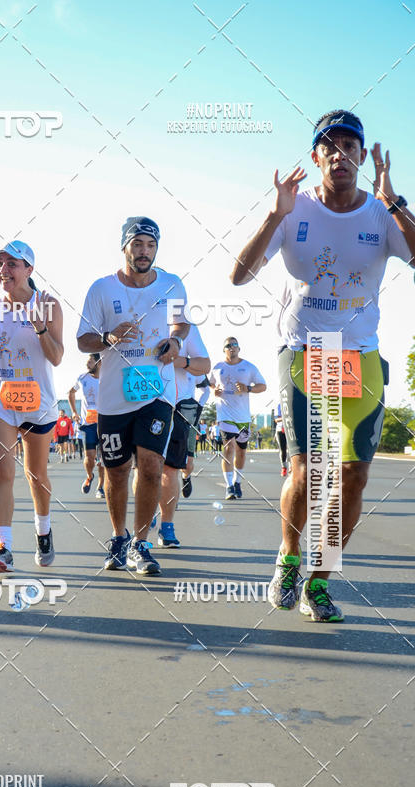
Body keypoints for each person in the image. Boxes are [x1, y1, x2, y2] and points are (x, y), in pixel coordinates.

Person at [231, 109, 415, 622]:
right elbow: (238, 276)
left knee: (352, 475)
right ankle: (289, 558)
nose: (340, 154)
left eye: (349, 146)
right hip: (306, 351)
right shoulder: (295, 209)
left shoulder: (382, 212)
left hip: (360, 356)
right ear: (315, 159)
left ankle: (319, 579)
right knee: (310, 470)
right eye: (328, 147)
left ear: (361, 155)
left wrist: (395, 200)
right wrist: (274, 215)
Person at [77, 215, 189, 575]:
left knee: (152, 464)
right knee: (117, 470)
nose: (145, 252)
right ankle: (118, 536)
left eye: (151, 245)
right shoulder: (102, 289)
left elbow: (180, 322)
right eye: (138, 244)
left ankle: (141, 543)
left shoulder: (171, 284)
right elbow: (83, 340)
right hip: (113, 395)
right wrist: (108, 338)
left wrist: (175, 340)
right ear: (125, 247)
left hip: (157, 389)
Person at [0, 239, 63, 572]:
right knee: (3, 471)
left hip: (37, 401)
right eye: (1, 263)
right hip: (0, 399)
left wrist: (39, 326)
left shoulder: (48, 304)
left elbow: (57, 356)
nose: (4, 269)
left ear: (29, 270)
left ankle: (43, 530)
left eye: (12, 263)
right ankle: (3, 547)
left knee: (36, 475)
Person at [157, 325, 210, 544]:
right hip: (147, 403)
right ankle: (149, 514)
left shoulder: (189, 329)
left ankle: (166, 527)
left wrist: (183, 362)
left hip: (180, 408)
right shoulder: (142, 317)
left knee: (173, 469)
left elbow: (205, 370)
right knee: (145, 469)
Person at [209, 337, 266, 500]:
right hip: (224, 414)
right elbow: (210, 384)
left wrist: (248, 388)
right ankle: (228, 486)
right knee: (229, 448)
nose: (232, 348)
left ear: (239, 349)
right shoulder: (217, 367)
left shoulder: (248, 367)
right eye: (228, 345)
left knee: (241, 451)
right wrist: (214, 391)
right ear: (224, 350)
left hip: (243, 416)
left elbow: (263, 386)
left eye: (234, 345)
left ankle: (237, 481)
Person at [68, 354, 105, 496]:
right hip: (87, 424)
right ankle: (90, 476)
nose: (87, 364)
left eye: (90, 361)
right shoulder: (82, 378)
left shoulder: (107, 378)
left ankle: (100, 487)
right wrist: (74, 412)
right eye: (87, 361)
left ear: (99, 363)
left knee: (102, 459)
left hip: (104, 423)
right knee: (89, 458)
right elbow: (71, 393)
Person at [181, 374, 211, 498]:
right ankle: (169, 497)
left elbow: (206, 390)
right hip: (167, 415)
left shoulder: (192, 366)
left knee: (187, 463)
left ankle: (186, 477)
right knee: (166, 465)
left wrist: (199, 409)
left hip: (188, 418)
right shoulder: (162, 363)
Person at [274, 403, 289, 477]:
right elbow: (276, 419)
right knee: (283, 450)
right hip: (280, 430)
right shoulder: (279, 405)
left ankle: (292, 467)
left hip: (290, 429)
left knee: (292, 450)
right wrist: (285, 418)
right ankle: (284, 467)